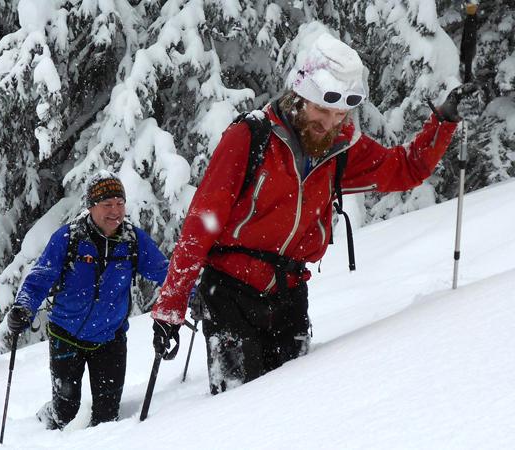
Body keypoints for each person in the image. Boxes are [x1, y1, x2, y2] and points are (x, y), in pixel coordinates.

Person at [150, 33, 466, 394]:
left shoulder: (342, 147)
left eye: (339, 114)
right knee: (237, 411)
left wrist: (443, 122)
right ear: (299, 96)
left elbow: (406, 168)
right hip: (231, 293)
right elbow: (200, 224)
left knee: (296, 405)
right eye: (321, 109)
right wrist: (170, 306)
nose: (329, 123)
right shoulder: (250, 137)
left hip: (290, 293)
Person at [7, 171, 169, 429]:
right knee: (66, 411)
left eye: (120, 203)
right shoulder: (69, 238)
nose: (115, 211)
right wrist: (23, 308)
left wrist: (195, 294)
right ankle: (45, 423)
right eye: (107, 205)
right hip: (66, 336)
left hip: (110, 338)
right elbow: (40, 277)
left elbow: (166, 273)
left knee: (107, 415)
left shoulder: (133, 241)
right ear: (91, 207)